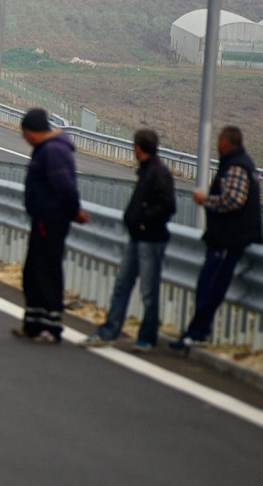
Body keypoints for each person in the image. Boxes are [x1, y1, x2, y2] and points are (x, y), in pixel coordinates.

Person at [81, 129, 175, 351]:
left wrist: (143, 220)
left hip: (150, 240)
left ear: (138, 147)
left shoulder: (157, 173)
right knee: (123, 285)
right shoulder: (147, 171)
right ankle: (109, 331)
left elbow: (168, 206)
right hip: (138, 237)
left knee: (147, 292)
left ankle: (146, 338)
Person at [172, 125, 263, 350]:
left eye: (219, 141)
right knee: (210, 287)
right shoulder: (241, 163)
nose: (217, 145)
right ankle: (199, 331)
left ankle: (197, 332)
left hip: (228, 239)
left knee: (210, 287)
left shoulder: (236, 166)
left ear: (225, 143)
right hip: (228, 238)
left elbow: (234, 200)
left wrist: (205, 201)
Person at [13, 108, 90, 344]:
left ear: (31, 131)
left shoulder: (54, 151)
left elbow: (64, 186)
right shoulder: (46, 149)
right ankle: (33, 324)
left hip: (51, 220)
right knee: (33, 273)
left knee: (47, 272)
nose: (24, 138)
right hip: (43, 219)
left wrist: (73, 210)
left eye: (24, 133)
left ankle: (50, 326)